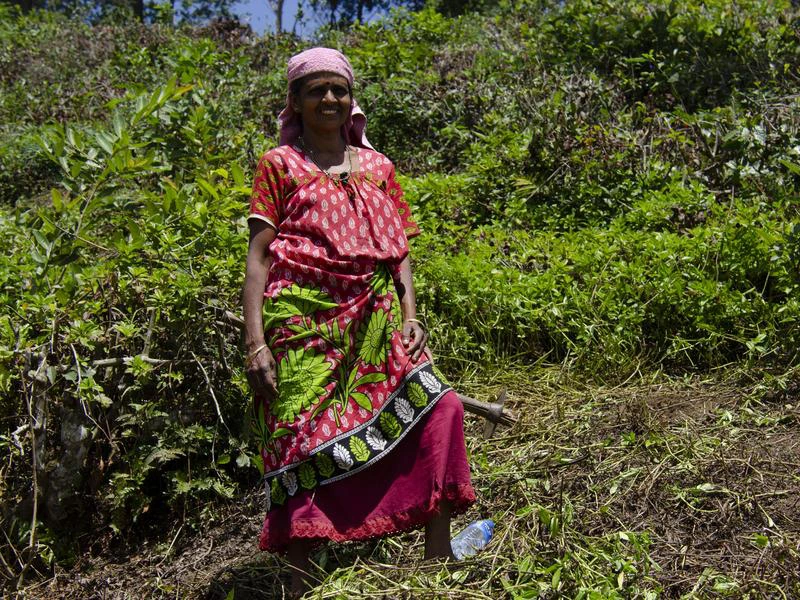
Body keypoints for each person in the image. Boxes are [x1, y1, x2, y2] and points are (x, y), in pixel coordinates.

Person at [242, 47, 476, 595]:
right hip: (302, 321)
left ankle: (437, 553)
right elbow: (258, 256)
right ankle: (301, 576)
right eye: (316, 90)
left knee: (437, 407)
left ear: (352, 101)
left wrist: (411, 314)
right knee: (299, 436)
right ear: (296, 102)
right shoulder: (280, 165)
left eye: (338, 90)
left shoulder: (378, 167)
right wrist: (255, 341)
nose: (329, 99)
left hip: (374, 317)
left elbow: (399, 252)